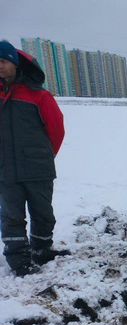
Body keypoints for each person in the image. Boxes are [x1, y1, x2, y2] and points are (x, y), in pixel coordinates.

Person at [0, 40, 66, 276]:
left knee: (43, 214)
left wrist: (45, 156)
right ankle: (19, 261)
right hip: (5, 170)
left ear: (15, 64)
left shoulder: (37, 94)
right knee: (11, 217)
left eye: (3, 61)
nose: (0, 66)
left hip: (37, 167)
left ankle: (42, 250)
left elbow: (56, 129)